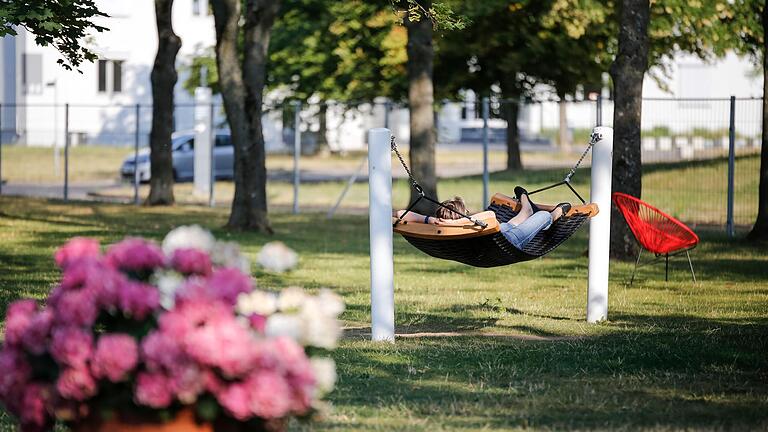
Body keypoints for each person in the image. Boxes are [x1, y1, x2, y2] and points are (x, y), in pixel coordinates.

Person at [393, 187, 571, 250]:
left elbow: (400, 213)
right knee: (542, 216)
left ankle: (525, 206)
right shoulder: (468, 224)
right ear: (464, 213)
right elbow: (491, 215)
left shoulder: (437, 227)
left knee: (510, 224)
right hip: (508, 242)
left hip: (499, 234)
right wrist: (461, 221)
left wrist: (429, 220)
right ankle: (555, 214)